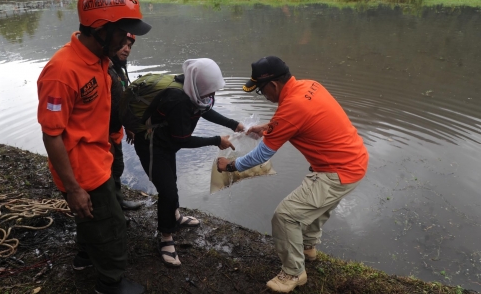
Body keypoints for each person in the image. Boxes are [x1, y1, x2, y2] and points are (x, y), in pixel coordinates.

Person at [217, 56, 368, 293]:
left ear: (273, 85)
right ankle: (307, 248)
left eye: (261, 91)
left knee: (286, 216)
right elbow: (295, 118)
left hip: (337, 171)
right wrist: (266, 127)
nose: (263, 96)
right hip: (354, 160)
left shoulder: (291, 108)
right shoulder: (309, 86)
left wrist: (230, 166)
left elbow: (260, 156)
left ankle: (294, 273)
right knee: (316, 206)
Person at [37, 0, 151, 294]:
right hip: (82, 171)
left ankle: (85, 258)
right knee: (112, 228)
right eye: (124, 31)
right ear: (101, 28)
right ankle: (109, 284)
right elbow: (51, 135)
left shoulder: (101, 59)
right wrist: (73, 189)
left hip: (100, 158)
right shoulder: (61, 72)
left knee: (94, 220)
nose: (128, 39)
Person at [133, 58, 244, 268]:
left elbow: (204, 110)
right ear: (198, 84)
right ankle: (165, 238)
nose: (211, 95)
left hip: (166, 143)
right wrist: (216, 140)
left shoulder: (196, 92)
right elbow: (182, 140)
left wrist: (234, 124)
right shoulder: (178, 99)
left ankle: (174, 216)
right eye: (209, 90)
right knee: (167, 191)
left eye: (213, 90)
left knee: (171, 181)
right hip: (152, 145)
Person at [108, 32, 142, 210]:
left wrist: (128, 126)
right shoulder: (105, 69)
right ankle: (112, 210)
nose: (127, 49)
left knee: (117, 167)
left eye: (129, 46)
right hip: (104, 134)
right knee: (108, 171)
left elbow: (121, 101)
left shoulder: (119, 68)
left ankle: (117, 203)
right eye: (123, 45)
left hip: (115, 130)